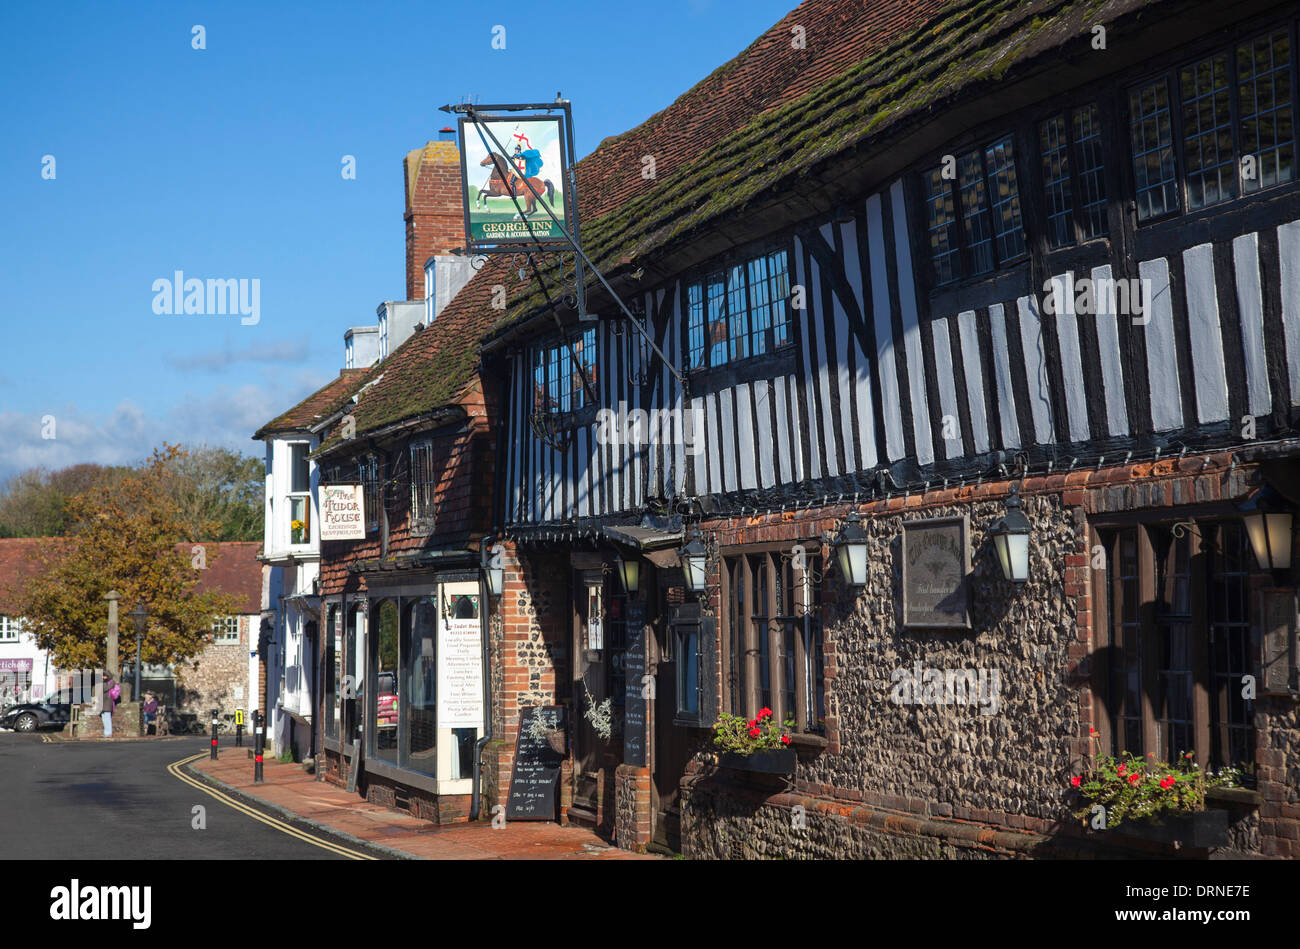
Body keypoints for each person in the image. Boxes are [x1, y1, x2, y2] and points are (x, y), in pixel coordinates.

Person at [101, 671, 119, 738]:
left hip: (108, 702)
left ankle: (108, 733)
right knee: (104, 718)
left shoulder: (111, 682)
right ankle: (106, 732)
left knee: (107, 717)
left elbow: (105, 688)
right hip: (102, 702)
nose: (103, 677)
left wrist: (103, 683)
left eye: (104, 676)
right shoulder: (104, 682)